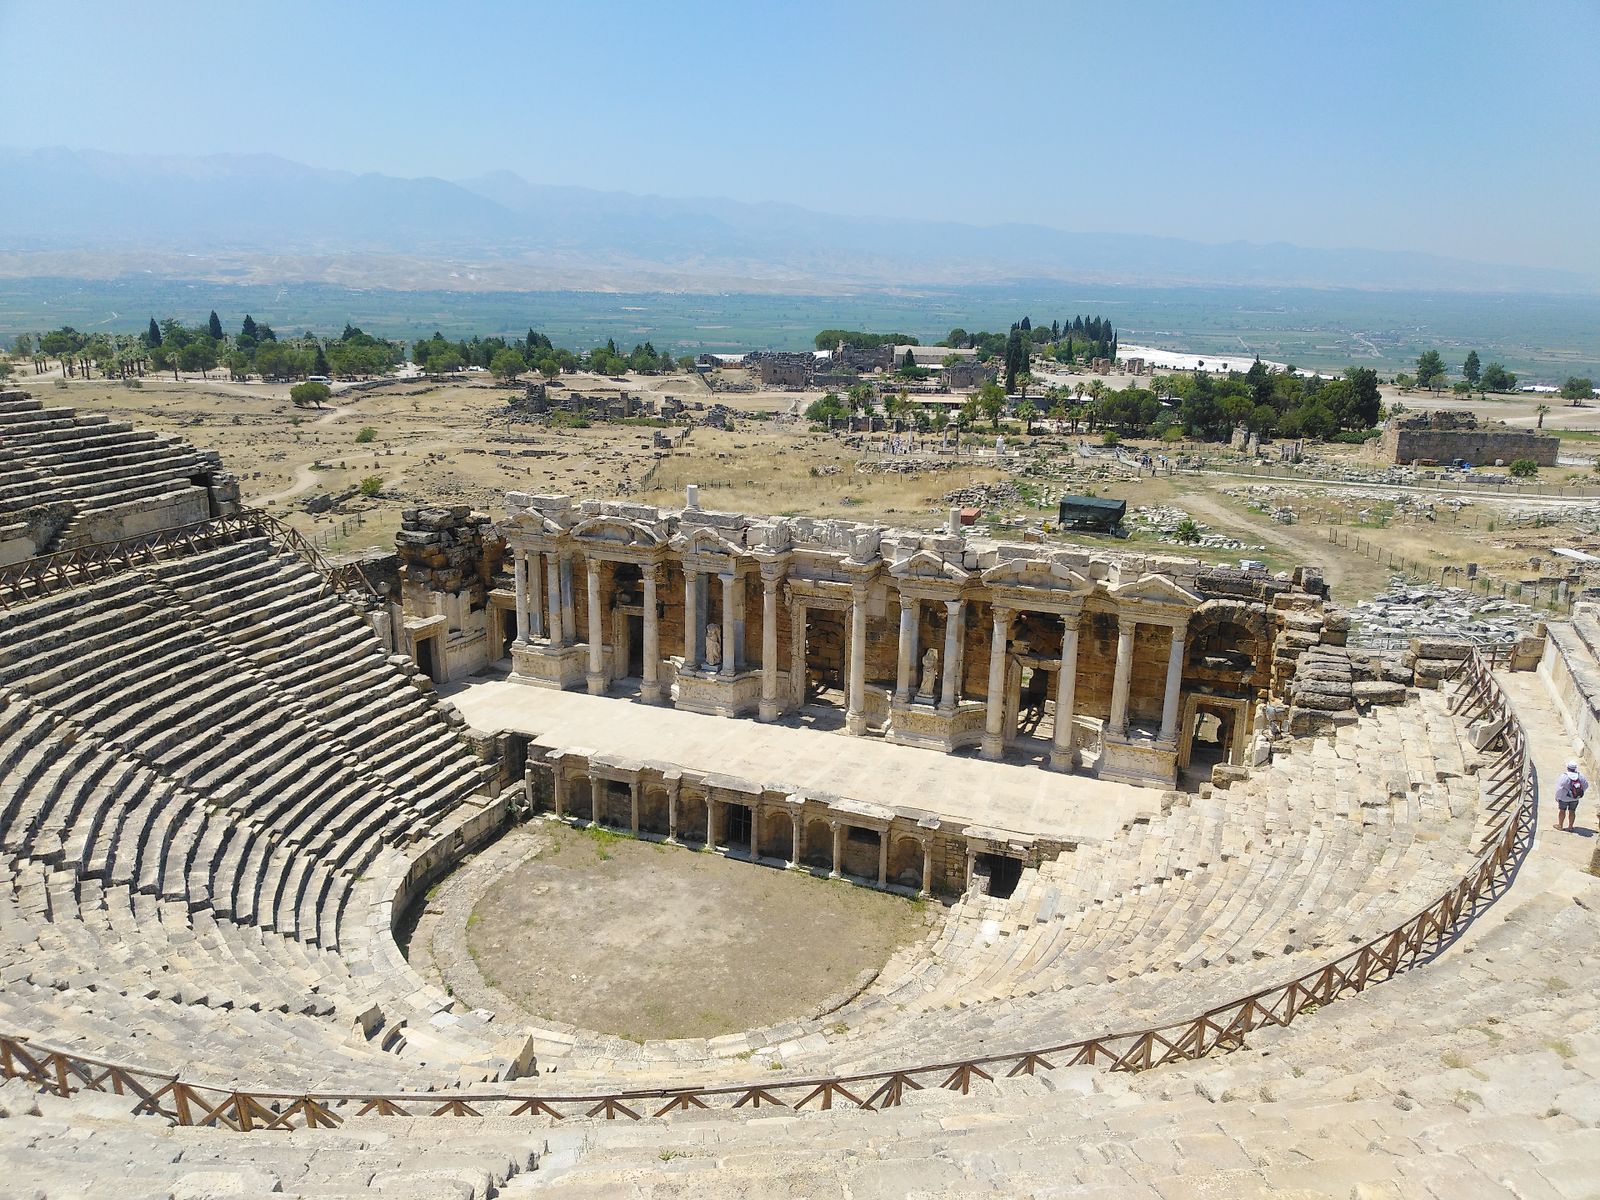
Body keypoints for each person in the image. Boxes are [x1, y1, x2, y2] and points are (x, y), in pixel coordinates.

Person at [1555, 760, 1588, 832]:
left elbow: (1559, 788)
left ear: (1568, 768)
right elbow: (1586, 785)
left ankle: (1560, 825)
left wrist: (1557, 797)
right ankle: (1570, 827)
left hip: (1564, 798)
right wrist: (1578, 793)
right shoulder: (1580, 776)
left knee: (1562, 811)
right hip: (1575, 798)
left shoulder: (1564, 776)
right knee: (1572, 811)